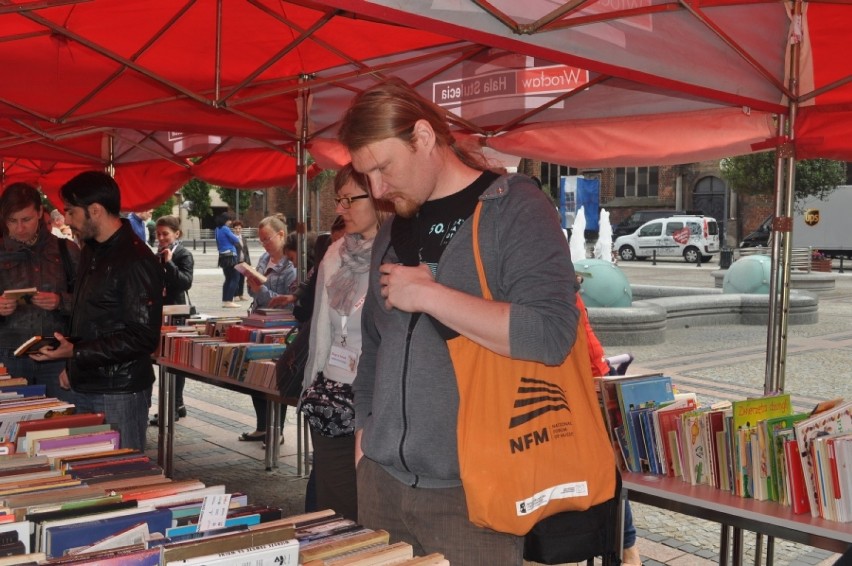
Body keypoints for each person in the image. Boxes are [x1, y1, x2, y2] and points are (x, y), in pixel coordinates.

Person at [339, 78, 579, 564]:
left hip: (473, 493)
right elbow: (374, 347)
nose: (379, 190)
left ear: (423, 137)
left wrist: (429, 295)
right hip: (381, 483)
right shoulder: (392, 227)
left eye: (383, 168)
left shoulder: (514, 207)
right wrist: (366, 437)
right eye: (367, 178)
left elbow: (552, 334)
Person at [31, 171, 164, 452]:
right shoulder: (92, 250)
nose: (65, 219)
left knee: (121, 475)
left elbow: (142, 338)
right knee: (88, 473)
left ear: (95, 210)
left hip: (119, 390)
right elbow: (89, 318)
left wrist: (76, 354)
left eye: (70, 211)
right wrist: (72, 361)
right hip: (87, 381)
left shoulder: (136, 259)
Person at [299, 164, 391, 521]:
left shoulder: (397, 256)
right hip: (331, 401)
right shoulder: (334, 254)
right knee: (335, 512)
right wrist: (312, 385)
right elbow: (320, 333)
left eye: (350, 199)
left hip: (377, 405)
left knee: (371, 509)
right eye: (338, 200)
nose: (340, 209)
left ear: (380, 196)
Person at [0, 183, 80, 401]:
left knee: (60, 426)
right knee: (10, 429)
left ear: (40, 213)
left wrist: (60, 302)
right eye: (12, 221)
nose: (19, 228)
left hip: (56, 352)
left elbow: (90, 304)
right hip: (7, 354)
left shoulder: (67, 250)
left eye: (26, 219)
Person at [238, 213, 297, 443]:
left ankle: (276, 430)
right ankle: (262, 425)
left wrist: (260, 290)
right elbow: (257, 294)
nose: (264, 244)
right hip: (259, 321)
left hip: (279, 325)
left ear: (281, 234)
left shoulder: (290, 264)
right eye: (261, 240)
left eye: (267, 238)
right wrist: (251, 285)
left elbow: (282, 300)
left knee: (273, 377)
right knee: (255, 374)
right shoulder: (264, 258)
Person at [149, 215, 194, 426]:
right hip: (160, 311)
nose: (161, 238)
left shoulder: (183, 254)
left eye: (165, 234)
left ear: (177, 233)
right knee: (164, 358)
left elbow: (185, 283)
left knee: (175, 359)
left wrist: (169, 264)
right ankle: (179, 404)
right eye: (158, 234)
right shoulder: (157, 253)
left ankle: (173, 406)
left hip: (177, 313)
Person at [214, 212, 241, 308]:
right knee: (235, 277)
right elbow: (235, 239)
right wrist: (235, 238)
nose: (230, 222)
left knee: (228, 278)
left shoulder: (217, 229)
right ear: (226, 220)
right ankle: (229, 300)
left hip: (222, 256)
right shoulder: (225, 229)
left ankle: (225, 300)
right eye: (229, 220)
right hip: (230, 255)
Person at [231, 220, 251, 302]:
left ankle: (241, 294)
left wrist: (248, 263)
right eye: (236, 228)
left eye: (239, 228)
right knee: (235, 278)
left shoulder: (243, 238)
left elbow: (246, 251)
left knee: (242, 279)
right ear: (233, 229)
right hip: (235, 261)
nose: (238, 230)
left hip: (243, 261)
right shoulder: (231, 238)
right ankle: (235, 295)